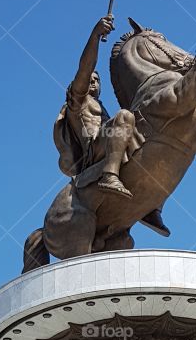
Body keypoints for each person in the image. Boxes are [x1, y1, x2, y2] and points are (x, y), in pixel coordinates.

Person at [54, 16, 169, 234]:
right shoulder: (77, 103)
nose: (94, 82)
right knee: (125, 116)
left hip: (110, 144)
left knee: (156, 140)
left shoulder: (101, 106)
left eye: (98, 80)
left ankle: (152, 206)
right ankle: (110, 175)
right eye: (91, 80)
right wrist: (96, 35)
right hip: (94, 153)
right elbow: (85, 67)